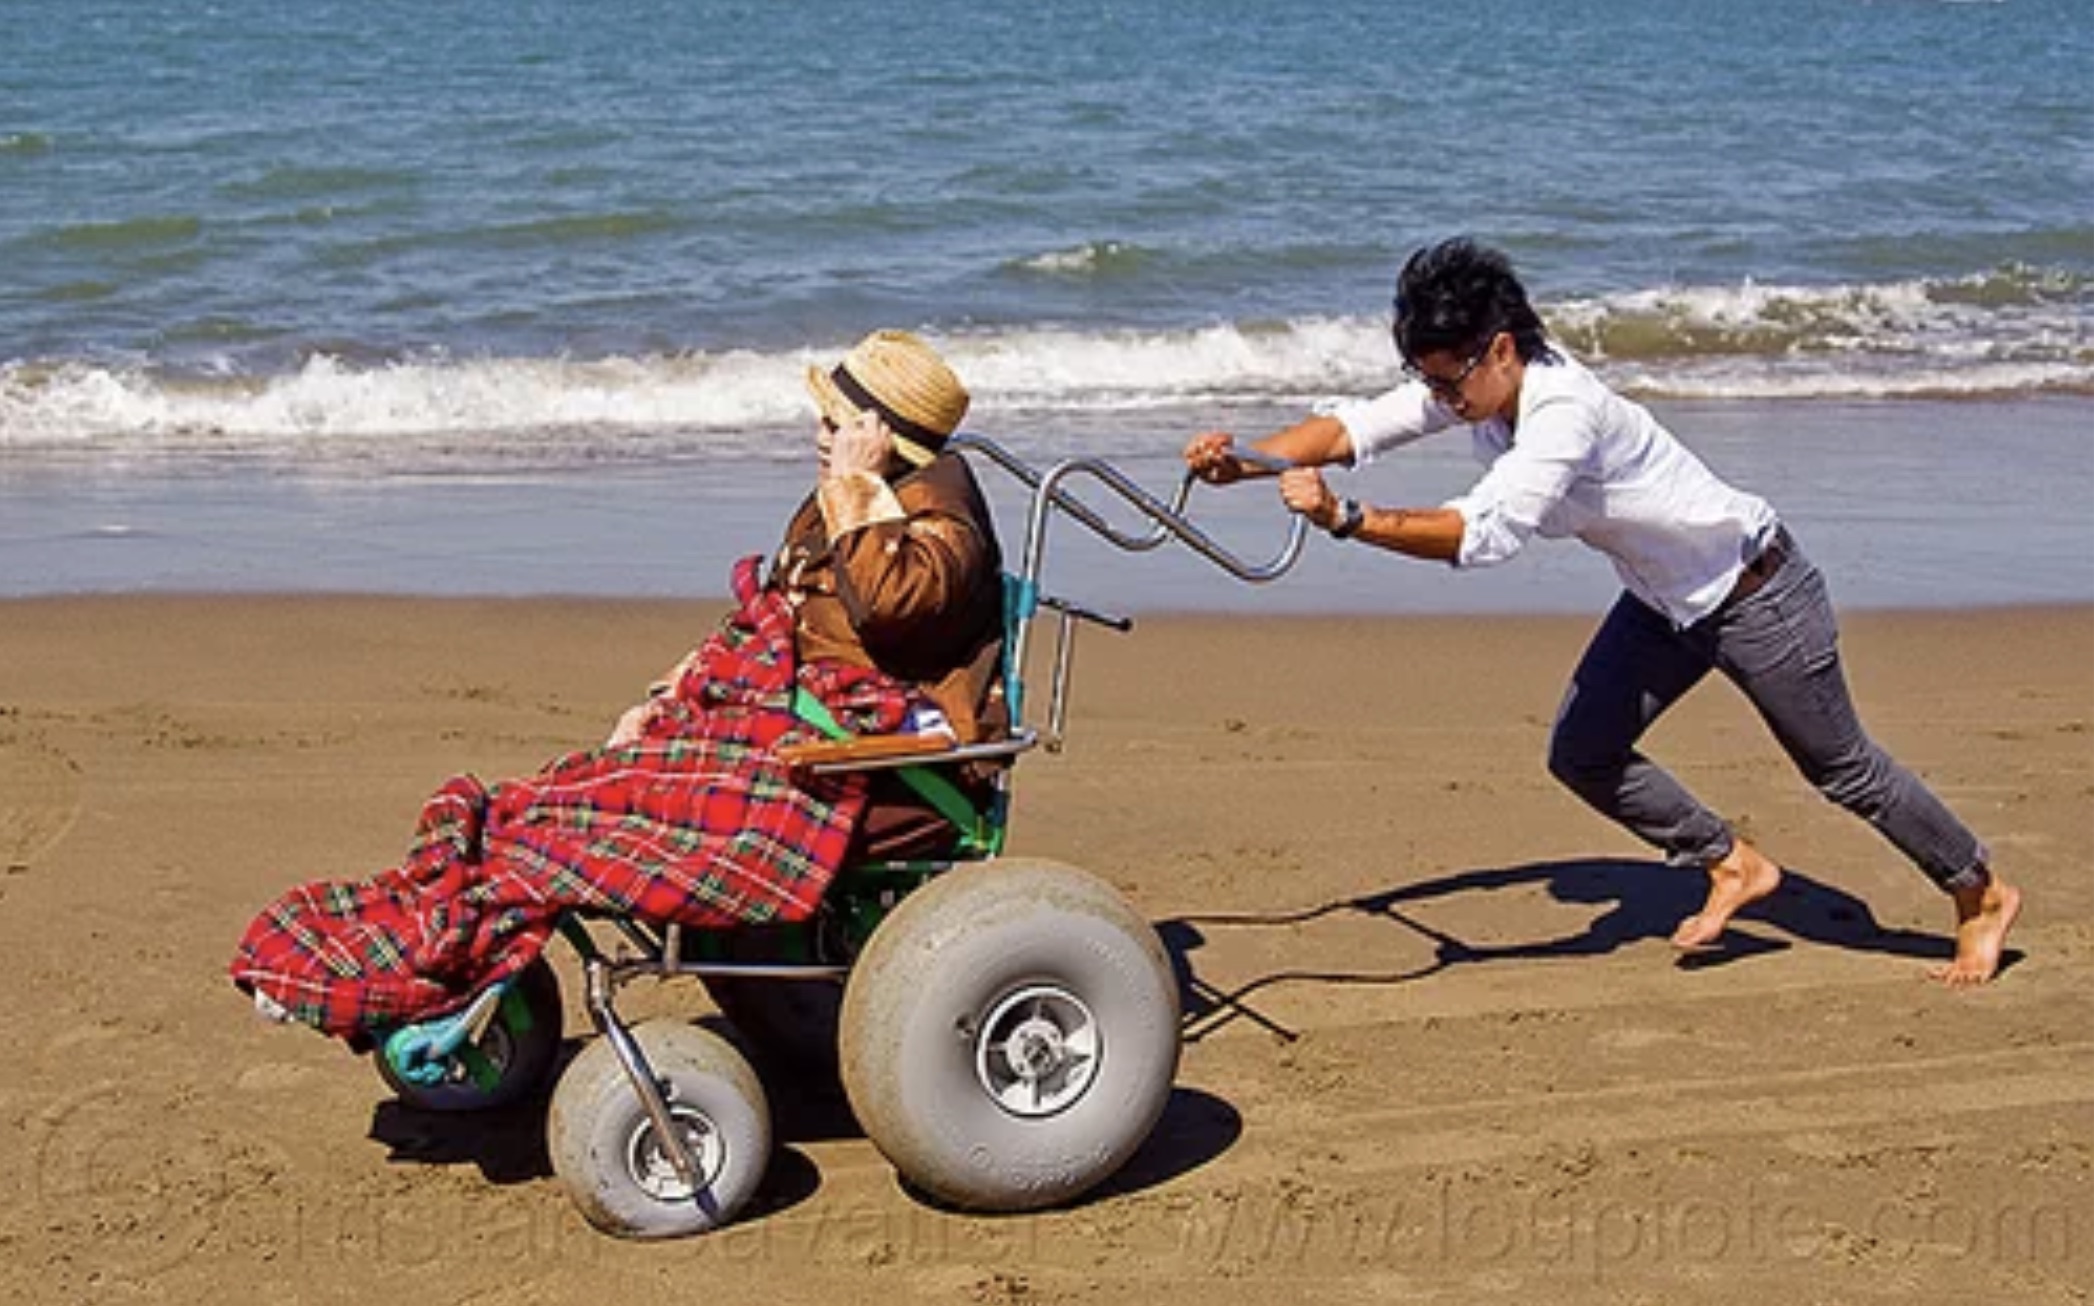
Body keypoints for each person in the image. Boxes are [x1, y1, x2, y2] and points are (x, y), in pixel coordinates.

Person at [1183, 238, 2020, 986]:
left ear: (1499, 349)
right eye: (1425, 378)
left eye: (1445, 378)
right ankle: (1731, 863)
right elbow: (1355, 429)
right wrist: (1249, 462)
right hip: (1663, 603)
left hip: (1756, 592)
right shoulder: (1474, 385)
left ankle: (1980, 891)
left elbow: (1487, 531)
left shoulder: (1562, 414)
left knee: (1843, 772)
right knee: (1583, 752)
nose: (1436, 395)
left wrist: (1347, 520)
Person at [233, 329, 1009, 1040]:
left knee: (601, 831)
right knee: (551, 804)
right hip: (796, 726)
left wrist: (853, 489)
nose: (821, 437)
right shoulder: (846, 507)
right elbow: (771, 615)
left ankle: (419, 962)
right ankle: (394, 945)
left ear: (883, 441)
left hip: (868, 769)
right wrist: (676, 691)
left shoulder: (941, 528)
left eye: (838, 424)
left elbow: (891, 602)